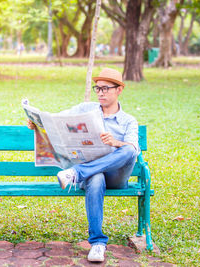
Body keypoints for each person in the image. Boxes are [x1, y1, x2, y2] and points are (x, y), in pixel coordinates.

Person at [26, 68, 139, 262]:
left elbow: (133, 148)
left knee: (128, 150)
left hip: (116, 176)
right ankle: (97, 243)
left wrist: (115, 143)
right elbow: (57, 120)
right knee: (95, 178)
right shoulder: (85, 109)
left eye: (106, 88)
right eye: (98, 88)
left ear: (119, 89)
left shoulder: (128, 121)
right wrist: (37, 122)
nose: (101, 92)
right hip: (93, 175)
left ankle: (76, 173)